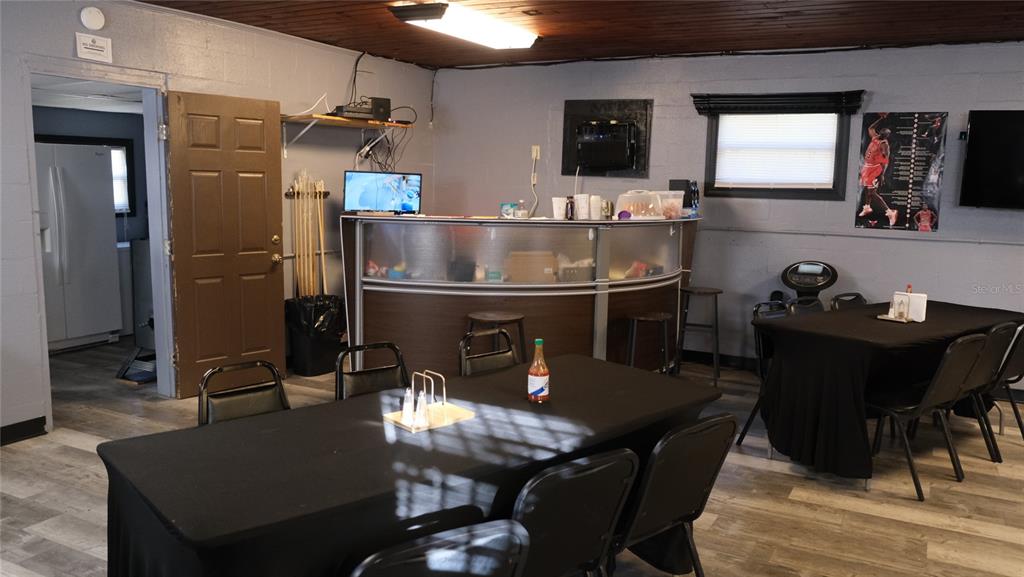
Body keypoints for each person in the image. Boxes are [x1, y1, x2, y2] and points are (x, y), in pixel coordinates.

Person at [858, 113, 898, 227]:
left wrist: (882, 175)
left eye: (883, 134)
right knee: (867, 189)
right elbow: (871, 128)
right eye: (881, 132)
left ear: (886, 137)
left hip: (875, 169)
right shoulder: (875, 137)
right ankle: (867, 207)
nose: (881, 135)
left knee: (872, 192)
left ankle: (890, 212)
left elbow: (886, 161)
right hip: (867, 166)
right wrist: (881, 118)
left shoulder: (884, 145)